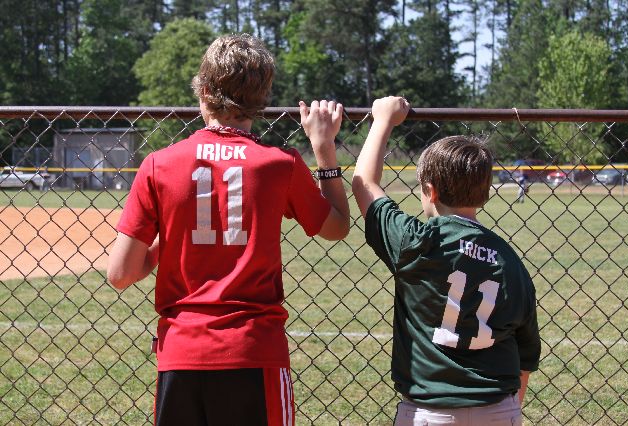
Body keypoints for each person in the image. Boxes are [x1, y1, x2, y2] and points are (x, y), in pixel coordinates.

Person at [107, 33, 350, 426]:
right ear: (262, 98)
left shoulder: (159, 163)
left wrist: (170, 238)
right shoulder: (279, 163)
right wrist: (324, 148)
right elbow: (336, 227)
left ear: (203, 91)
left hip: (181, 354)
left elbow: (121, 274)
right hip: (254, 351)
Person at [352, 96, 541, 426]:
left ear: (431, 191)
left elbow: (364, 184)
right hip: (499, 406)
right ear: (484, 193)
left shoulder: (417, 242)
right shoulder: (509, 260)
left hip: (430, 410)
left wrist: (382, 120)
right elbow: (526, 353)